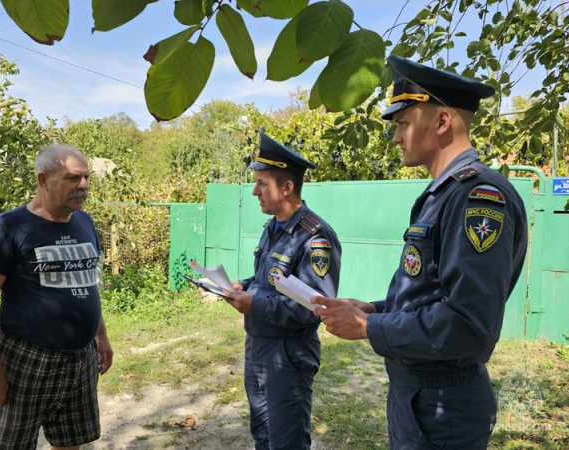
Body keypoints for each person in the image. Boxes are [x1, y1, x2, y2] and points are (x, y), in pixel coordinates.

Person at [311, 55, 528, 449]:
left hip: (444, 404)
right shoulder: (443, 194)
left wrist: (366, 328)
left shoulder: (477, 195)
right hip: (418, 395)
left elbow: (470, 323)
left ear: (442, 122)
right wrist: (375, 309)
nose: (395, 137)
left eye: (403, 123)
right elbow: (431, 291)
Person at [0, 143, 113, 450]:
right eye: (73, 178)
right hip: (25, 360)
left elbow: (86, 283)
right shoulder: (7, 228)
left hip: (79, 359)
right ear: (43, 180)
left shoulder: (84, 222)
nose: (83, 186)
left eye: (86, 178)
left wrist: (101, 336)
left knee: (71, 442)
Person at [223, 133, 342, 449]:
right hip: (259, 347)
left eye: (262, 183)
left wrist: (254, 305)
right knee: (262, 436)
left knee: (286, 441)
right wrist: (244, 287)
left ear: (287, 188)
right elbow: (271, 280)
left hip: (288, 356)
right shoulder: (273, 226)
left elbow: (312, 307)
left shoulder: (315, 237)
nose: (254, 191)